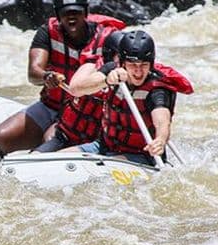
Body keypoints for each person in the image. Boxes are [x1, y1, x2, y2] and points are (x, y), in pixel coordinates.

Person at [0, 0, 126, 153]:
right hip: (51, 105)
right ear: (58, 15)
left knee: (51, 139)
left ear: (86, 12)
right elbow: (33, 72)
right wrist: (46, 76)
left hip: (85, 113)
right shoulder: (47, 33)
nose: (71, 17)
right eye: (66, 13)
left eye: (76, 12)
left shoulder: (107, 38)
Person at [66, 30, 193, 165]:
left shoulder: (157, 89)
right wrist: (106, 80)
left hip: (142, 157)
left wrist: (160, 140)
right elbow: (75, 90)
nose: (138, 71)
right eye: (132, 65)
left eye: (144, 65)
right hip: (104, 147)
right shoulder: (111, 69)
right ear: (122, 63)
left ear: (151, 64)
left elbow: (162, 121)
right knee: (58, 158)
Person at [34, 30, 124, 152]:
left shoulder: (131, 78)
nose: (125, 62)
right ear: (110, 53)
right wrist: (105, 78)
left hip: (96, 144)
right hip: (66, 135)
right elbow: (75, 89)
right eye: (121, 57)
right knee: (38, 154)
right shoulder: (90, 67)